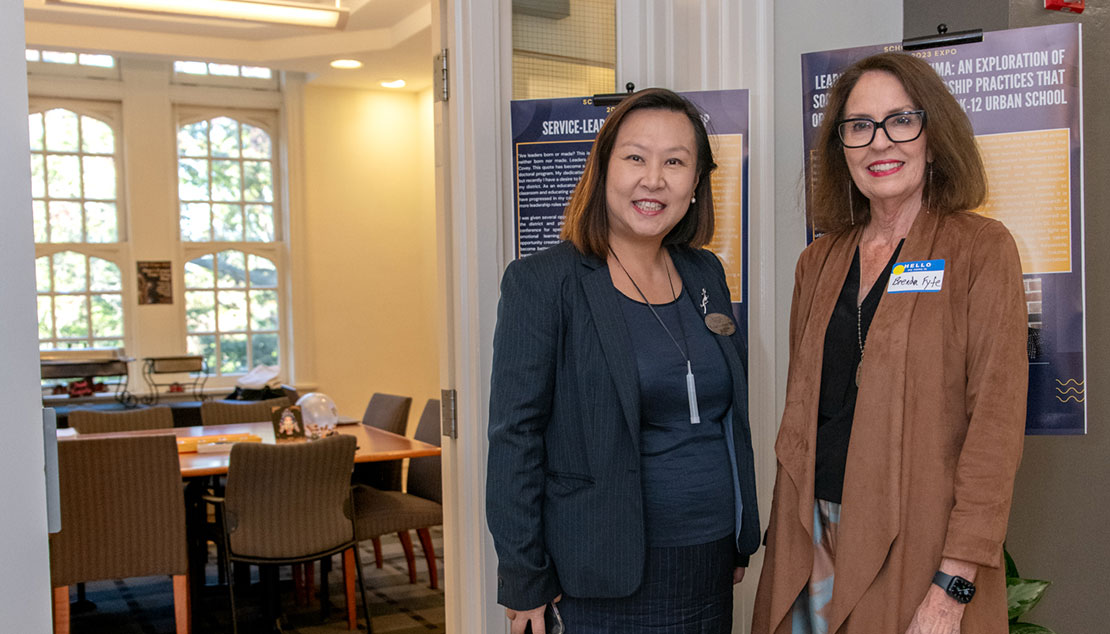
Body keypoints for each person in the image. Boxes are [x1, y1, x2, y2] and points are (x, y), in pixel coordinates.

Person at [752, 52, 1027, 634]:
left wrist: (953, 585)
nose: (880, 143)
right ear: (841, 148)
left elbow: (994, 432)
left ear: (934, 136)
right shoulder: (817, 263)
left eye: (901, 120)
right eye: (859, 127)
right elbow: (800, 421)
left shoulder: (981, 249)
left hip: (920, 546)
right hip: (811, 540)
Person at [487, 88, 760, 634]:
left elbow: (726, 418)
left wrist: (740, 530)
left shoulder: (705, 273)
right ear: (603, 167)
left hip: (710, 562)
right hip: (598, 575)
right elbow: (515, 437)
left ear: (697, 182)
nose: (653, 179)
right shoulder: (544, 283)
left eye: (675, 162)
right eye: (635, 157)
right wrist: (524, 579)